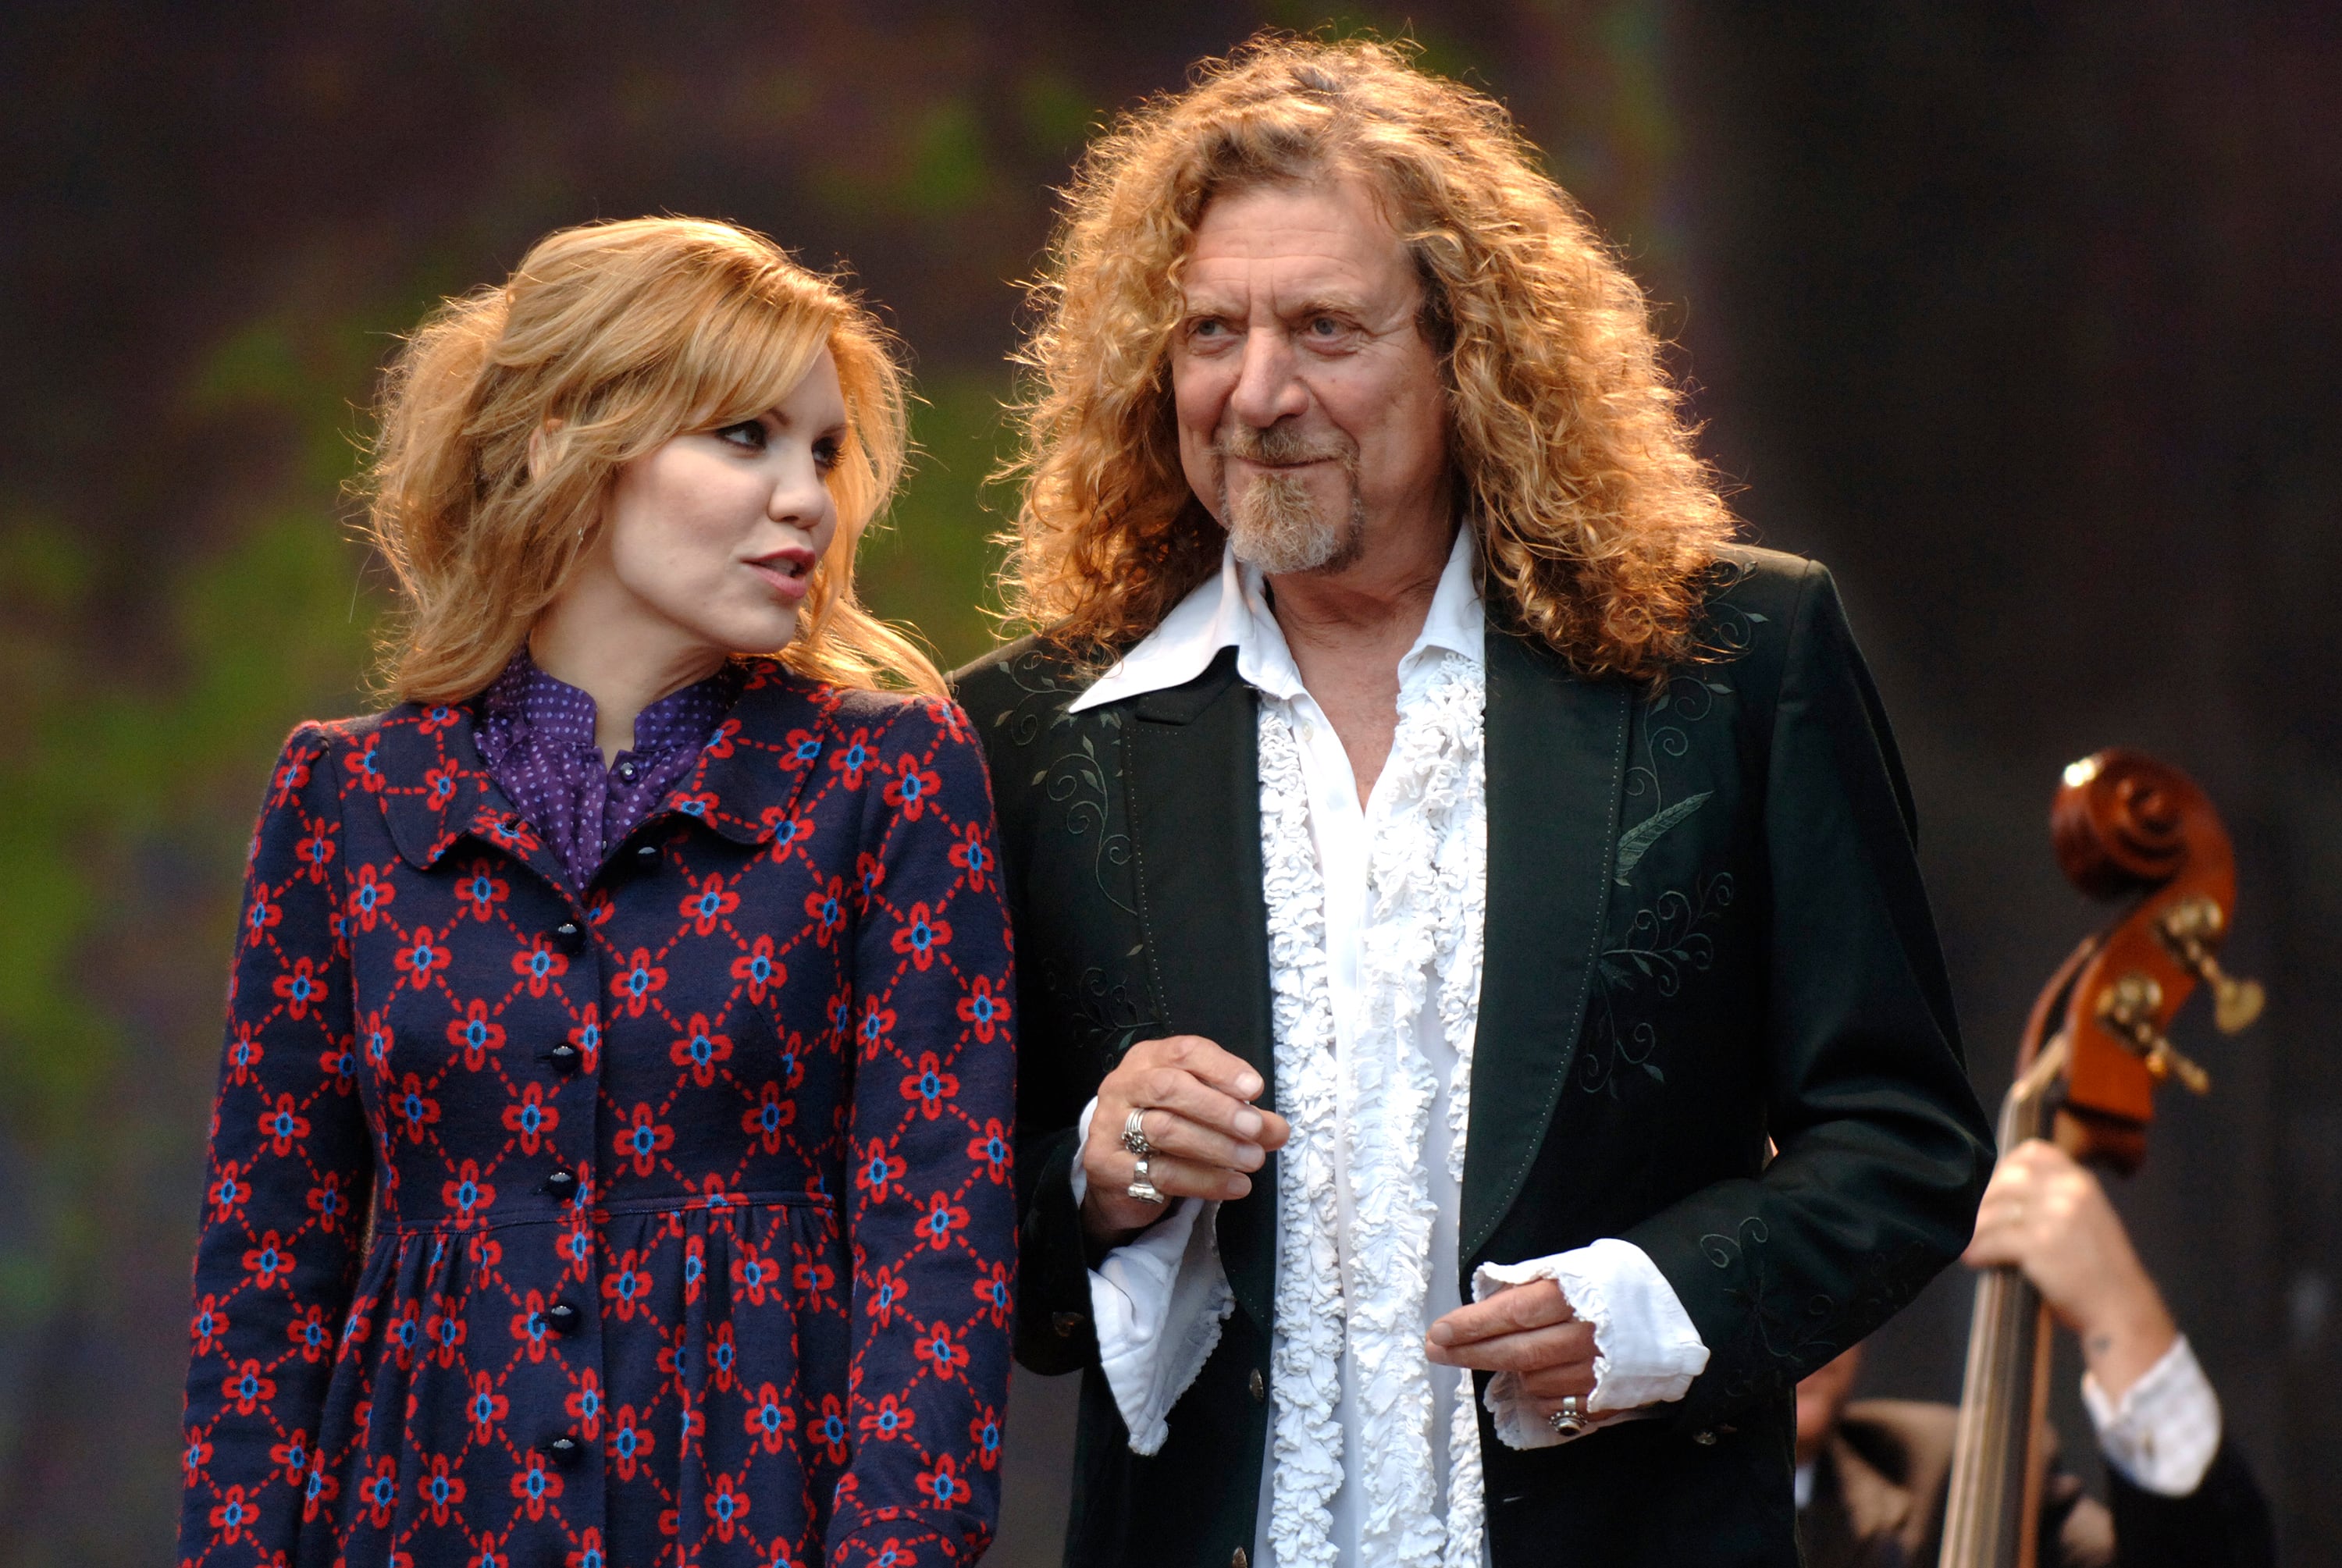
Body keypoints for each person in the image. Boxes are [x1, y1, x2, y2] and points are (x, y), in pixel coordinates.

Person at [952, 37, 1995, 1568]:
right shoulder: (1024, 731)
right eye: (1207, 331)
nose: (1256, 391)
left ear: (1471, 353)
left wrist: (1652, 1303)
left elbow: (1899, 1136)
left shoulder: (1736, 662)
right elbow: (944, 1209)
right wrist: (1093, 1165)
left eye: (1325, 327)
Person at [176, 218, 1016, 1568]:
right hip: (415, 1515)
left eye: (823, 448)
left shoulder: (890, 773)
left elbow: (941, 1249)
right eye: (744, 435)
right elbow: (266, 1276)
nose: (806, 495)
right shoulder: (345, 797)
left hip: (766, 1515)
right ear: (573, 438)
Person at [1794, 1138, 2275, 1568]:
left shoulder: (1960, 1479)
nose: (1806, 1307)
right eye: (1772, 1260)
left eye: (1831, 1254)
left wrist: (2121, 1316)